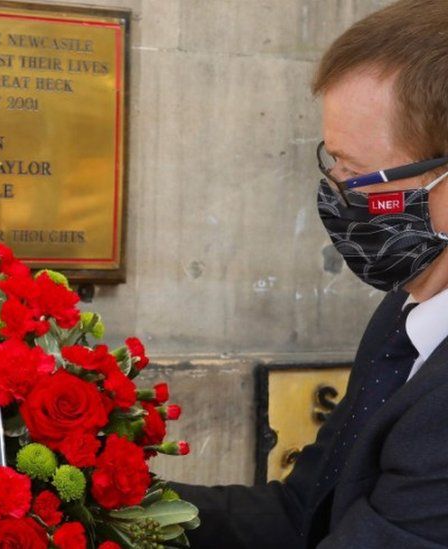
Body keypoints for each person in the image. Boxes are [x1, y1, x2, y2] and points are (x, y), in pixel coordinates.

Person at [174, 1, 448, 547]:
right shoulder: (404, 316)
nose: (336, 191)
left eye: (359, 172)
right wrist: (104, 507)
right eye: (334, 163)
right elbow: (305, 512)